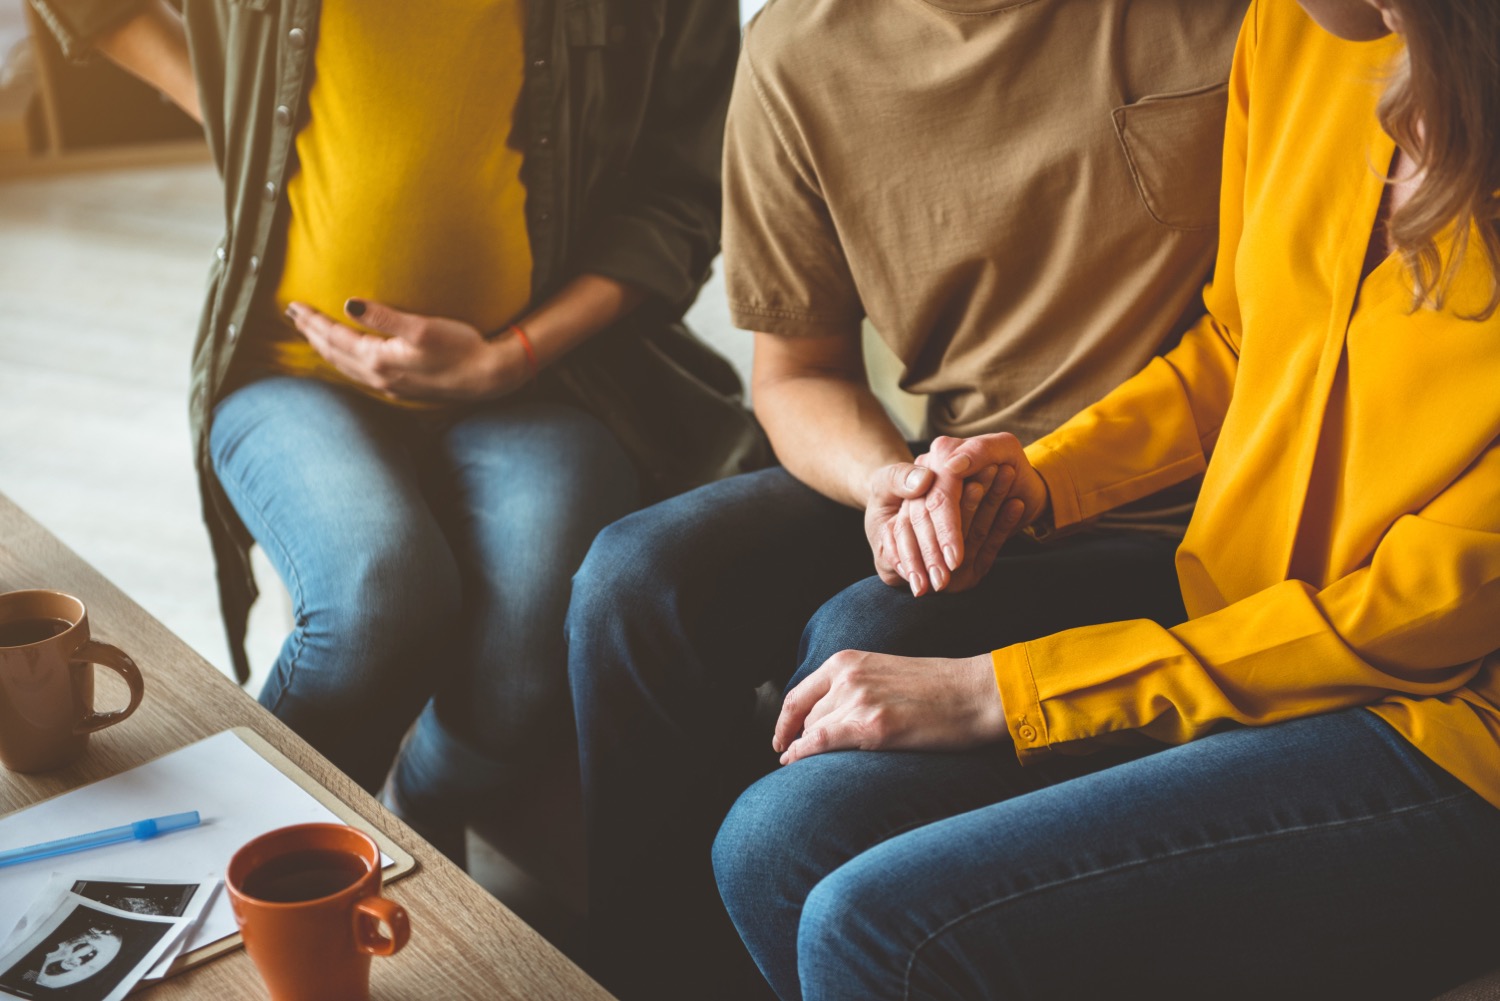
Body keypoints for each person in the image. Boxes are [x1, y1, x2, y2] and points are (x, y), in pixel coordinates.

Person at [711, 0, 1500, 996]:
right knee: (774, 839)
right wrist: (1045, 476)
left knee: (873, 926)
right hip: (1238, 612)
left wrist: (1006, 690)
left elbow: (1417, 619)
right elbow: (1236, 343)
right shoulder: (1300, 27)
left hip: (1449, 722)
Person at [565, 0, 1250, 997]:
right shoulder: (798, 49)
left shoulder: (1232, 19)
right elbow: (799, 373)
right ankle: (663, 976)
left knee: (864, 624)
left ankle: (811, 932)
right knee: (634, 579)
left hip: (1176, 498)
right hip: (956, 468)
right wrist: (889, 481)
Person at [26, 0, 764, 856]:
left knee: (535, 656)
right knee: (381, 599)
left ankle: (411, 802)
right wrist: (241, 114)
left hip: (541, 382)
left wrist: (511, 356)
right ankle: (226, 875)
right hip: (286, 371)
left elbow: (681, 199)